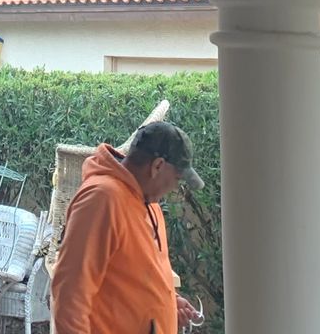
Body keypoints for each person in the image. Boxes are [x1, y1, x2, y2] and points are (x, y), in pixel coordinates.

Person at [51, 121, 206, 334]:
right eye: (177, 179)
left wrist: (169, 303)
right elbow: (70, 297)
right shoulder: (102, 200)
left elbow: (132, 276)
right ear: (158, 166)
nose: (174, 188)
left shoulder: (148, 203)